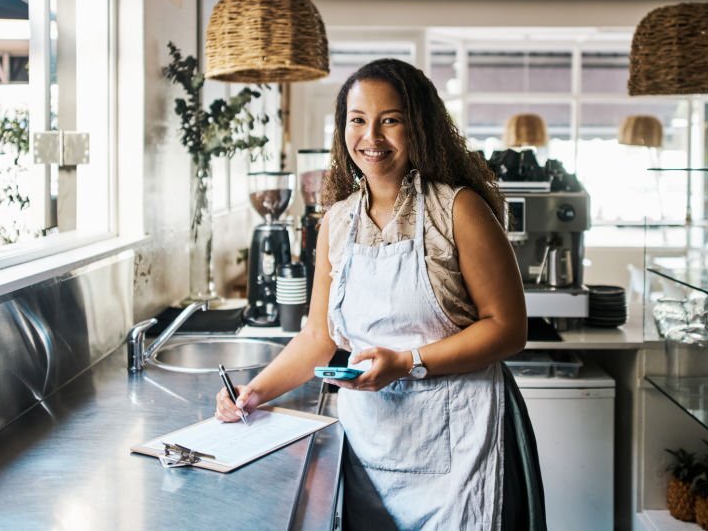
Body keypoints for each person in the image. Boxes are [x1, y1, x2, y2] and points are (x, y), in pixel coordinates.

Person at [215, 59, 539, 529]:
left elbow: (508, 330)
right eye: (358, 120)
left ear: (419, 126)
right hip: (370, 441)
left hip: (461, 439)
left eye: (390, 120)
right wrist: (254, 393)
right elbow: (318, 337)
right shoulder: (337, 221)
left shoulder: (460, 210)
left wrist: (406, 363)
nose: (372, 137)